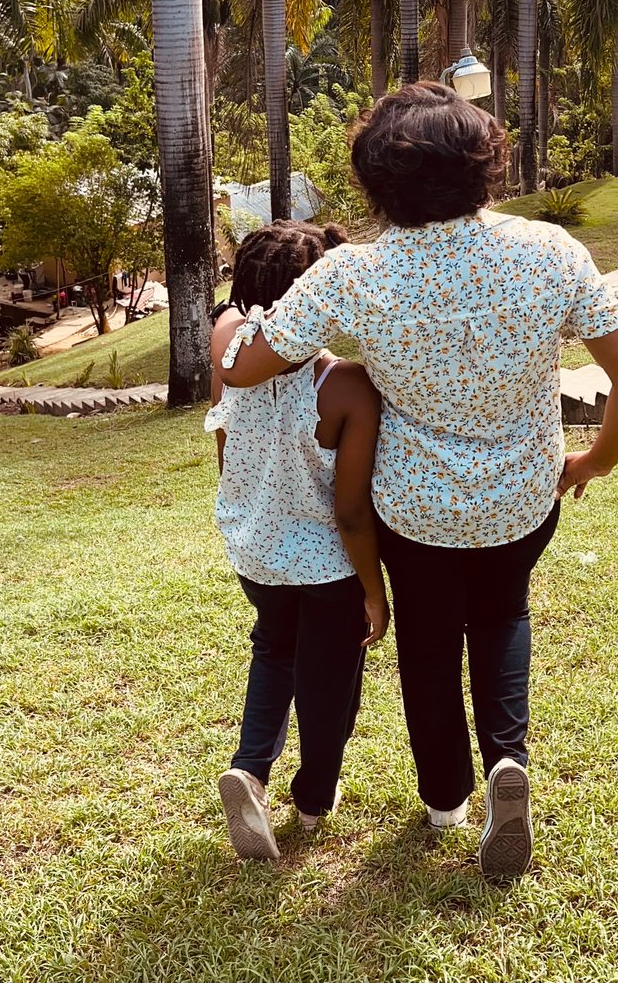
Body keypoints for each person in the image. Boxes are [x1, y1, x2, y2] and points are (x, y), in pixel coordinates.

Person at [221, 83, 618, 882]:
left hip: (413, 507)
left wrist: (231, 331)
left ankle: (445, 800)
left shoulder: (353, 271)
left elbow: (251, 364)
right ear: (486, 164)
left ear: (375, 180)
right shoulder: (549, 251)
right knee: (501, 619)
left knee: (428, 646)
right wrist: (594, 461)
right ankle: (507, 762)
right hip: (523, 496)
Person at [207, 221, 387, 865]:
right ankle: (312, 799)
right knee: (330, 676)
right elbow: (352, 511)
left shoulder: (227, 352)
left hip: (254, 547)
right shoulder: (344, 385)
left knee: (274, 654)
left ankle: (250, 769)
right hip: (329, 565)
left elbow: (225, 444)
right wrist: (374, 590)